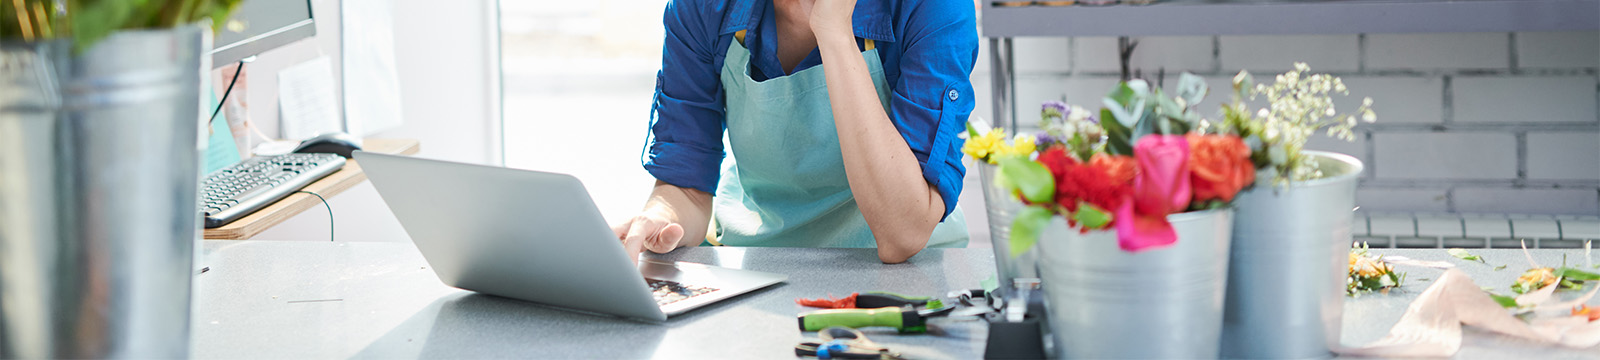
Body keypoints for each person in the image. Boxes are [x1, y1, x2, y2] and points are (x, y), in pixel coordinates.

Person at [611, 0, 978, 263]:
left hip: (906, 279)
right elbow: (687, 191)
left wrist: (833, 30)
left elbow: (903, 234)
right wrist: (661, 219)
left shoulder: (933, 8)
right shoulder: (701, 10)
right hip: (757, 270)